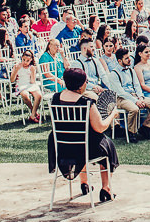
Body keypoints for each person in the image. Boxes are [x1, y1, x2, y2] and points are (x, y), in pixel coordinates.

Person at [47, 67, 119, 202]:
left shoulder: (55, 99)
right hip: (85, 148)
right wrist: (112, 115)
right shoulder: (86, 103)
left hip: (61, 147)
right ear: (81, 85)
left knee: (81, 141)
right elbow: (100, 128)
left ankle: (84, 183)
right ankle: (106, 188)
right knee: (106, 144)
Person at [11, 49, 44, 122]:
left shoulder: (31, 67)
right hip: (21, 84)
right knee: (25, 95)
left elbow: (32, 81)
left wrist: (33, 72)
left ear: (31, 60)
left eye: (27, 61)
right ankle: (34, 112)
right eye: (24, 60)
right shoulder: (17, 66)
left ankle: (32, 115)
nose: (25, 62)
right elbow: (12, 80)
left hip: (30, 84)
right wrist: (16, 70)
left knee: (39, 95)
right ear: (21, 58)